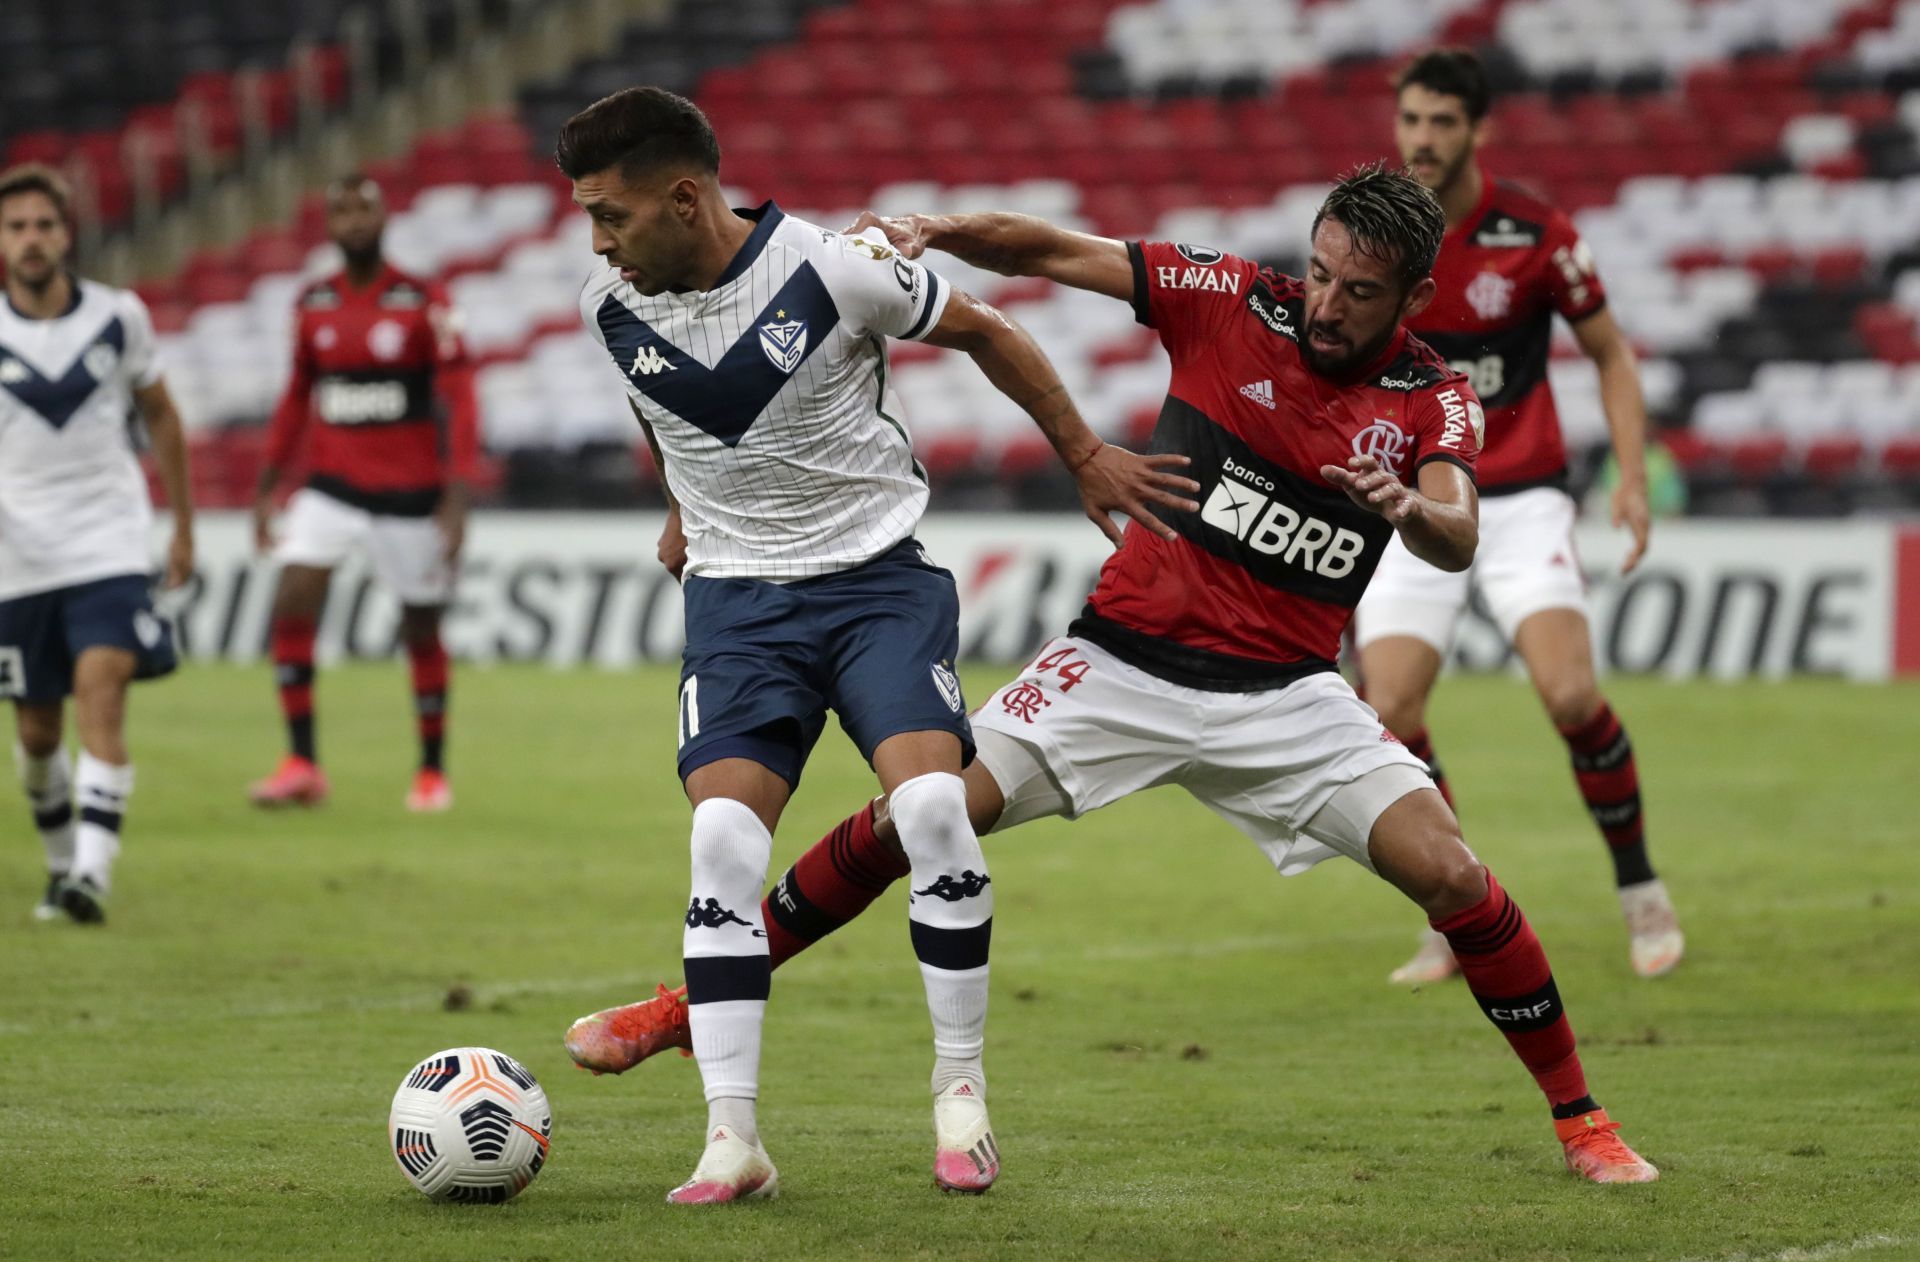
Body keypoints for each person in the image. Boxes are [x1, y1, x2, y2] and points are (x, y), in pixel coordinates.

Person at [564, 164, 1663, 1187]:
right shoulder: (1230, 296)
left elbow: (1460, 530)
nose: (1327, 303)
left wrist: (1413, 509)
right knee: (920, 816)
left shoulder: (1432, 395)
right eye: (1321, 271)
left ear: (1414, 296)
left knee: (1456, 877)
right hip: (1116, 666)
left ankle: (1584, 1120)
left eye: (1360, 291)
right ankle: (680, 1005)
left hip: (1288, 698)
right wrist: (939, 229)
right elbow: (1047, 251)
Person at [558, 87, 1195, 1204]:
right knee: (720, 840)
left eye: (611, 216)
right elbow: (659, 411)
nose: (599, 242)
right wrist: (679, 507)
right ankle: (732, 1138)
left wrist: (1085, 451)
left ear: (685, 198)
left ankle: (960, 1097)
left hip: (875, 588)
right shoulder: (607, 306)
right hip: (739, 605)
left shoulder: (834, 267)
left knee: (936, 807)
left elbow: (989, 329)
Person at [1359, 48, 1683, 984]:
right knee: (1393, 709)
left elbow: (1612, 354)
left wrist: (1629, 472)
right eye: (1410, 120)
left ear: (1477, 129)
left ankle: (1640, 888)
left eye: (1440, 123)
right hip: (1416, 505)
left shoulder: (1535, 234)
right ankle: (1457, 914)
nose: (1421, 139)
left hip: (1522, 497)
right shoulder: (1379, 238)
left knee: (1571, 698)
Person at [0, 163, 195, 924]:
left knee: (101, 695)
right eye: (17, 228)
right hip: (16, 557)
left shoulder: (119, 317)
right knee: (37, 730)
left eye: (44, 225)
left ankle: (90, 875)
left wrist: (180, 525)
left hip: (107, 543)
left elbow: (163, 417)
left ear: (67, 232)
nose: (32, 240)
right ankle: (59, 868)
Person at [248, 175, 477, 813]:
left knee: (419, 626)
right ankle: (301, 763)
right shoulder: (312, 301)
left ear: (384, 220)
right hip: (329, 486)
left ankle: (431, 770)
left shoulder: (421, 299)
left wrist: (457, 495)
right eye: (340, 209)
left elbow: (460, 399)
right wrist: (268, 486)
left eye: (363, 209)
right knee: (292, 595)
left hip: (408, 494)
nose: (352, 220)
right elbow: (296, 398)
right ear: (329, 224)